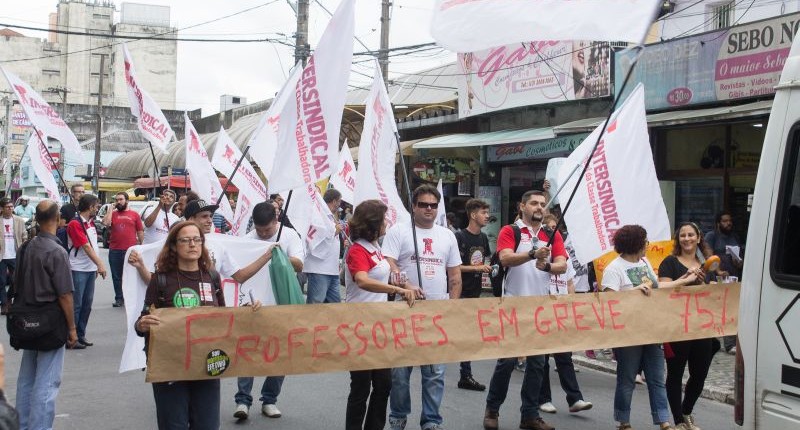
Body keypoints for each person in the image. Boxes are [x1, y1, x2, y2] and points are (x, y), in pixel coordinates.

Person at [133, 221, 261, 430]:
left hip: (208, 364)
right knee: (174, 425)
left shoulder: (211, 276)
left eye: (197, 240)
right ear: (174, 245)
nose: (192, 244)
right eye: (185, 240)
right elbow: (142, 322)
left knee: (207, 425)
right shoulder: (161, 280)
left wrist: (245, 311)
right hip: (170, 366)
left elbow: (222, 319)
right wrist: (143, 324)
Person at [483, 190, 567, 430]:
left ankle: (529, 415)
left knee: (538, 364)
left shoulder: (551, 233)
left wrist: (548, 265)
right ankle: (492, 409)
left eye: (542, 204)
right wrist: (532, 254)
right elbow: (505, 258)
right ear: (522, 206)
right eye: (533, 203)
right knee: (507, 362)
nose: (539, 207)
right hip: (513, 305)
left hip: (539, 309)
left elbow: (562, 264)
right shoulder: (511, 231)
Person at [383, 184, 461, 430]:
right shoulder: (399, 231)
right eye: (423, 204)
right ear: (413, 206)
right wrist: (405, 284)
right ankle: (398, 416)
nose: (429, 209)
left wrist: (453, 307)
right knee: (400, 372)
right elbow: (388, 264)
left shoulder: (447, 235)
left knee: (435, 373)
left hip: (437, 312)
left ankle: (431, 420)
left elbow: (455, 275)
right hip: (405, 310)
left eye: (433, 205)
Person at [601, 224, 692, 430]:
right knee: (627, 379)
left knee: (657, 378)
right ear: (635, 244)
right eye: (645, 242)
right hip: (628, 334)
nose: (647, 246)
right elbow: (608, 301)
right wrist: (634, 291)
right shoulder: (614, 268)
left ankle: (664, 421)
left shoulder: (644, 262)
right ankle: (624, 421)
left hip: (652, 329)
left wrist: (684, 280)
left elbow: (657, 287)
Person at [344, 199, 419, 430]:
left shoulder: (376, 247)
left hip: (380, 324)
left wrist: (405, 285)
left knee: (384, 384)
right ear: (373, 222)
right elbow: (363, 280)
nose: (387, 222)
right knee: (361, 387)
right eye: (384, 218)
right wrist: (395, 289)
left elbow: (382, 275)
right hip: (360, 325)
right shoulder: (357, 249)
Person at [234, 201, 305, 421]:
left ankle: (270, 399)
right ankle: (242, 400)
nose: (263, 234)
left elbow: (299, 265)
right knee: (247, 352)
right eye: (259, 229)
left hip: (282, 303)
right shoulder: (246, 241)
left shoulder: (290, 235)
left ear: (276, 221)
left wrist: (280, 253)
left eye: (268, 229)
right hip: (252, 303)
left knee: (280, 354)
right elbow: (237, 272)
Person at [13, 200, 77, 430]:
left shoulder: (26, 247)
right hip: (49, 322)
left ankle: (23, 425)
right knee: (46, 384)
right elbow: (65, 296)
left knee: (27, 380)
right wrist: (72, 328)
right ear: (57, 218)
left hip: (25, 319)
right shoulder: (57, 251)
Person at [660, 222, 714, 430]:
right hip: (677, 326)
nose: (687, 238)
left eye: (691, 234)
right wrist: (685, 280)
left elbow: (712, 294)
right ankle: (678, 420)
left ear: (699, 238)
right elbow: (663, 290)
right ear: (678, 239)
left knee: (699, 373)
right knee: (675, 373)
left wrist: (703, 283)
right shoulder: (670, 262)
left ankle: (687, 410)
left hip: (702, 326)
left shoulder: (708, 263)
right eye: (683, 235)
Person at [454, 198, 491, 392]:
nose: (486, 216)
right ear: (473, 215)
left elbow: (485, 260)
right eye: (483, 213)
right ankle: (464, 374)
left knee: (467, 334)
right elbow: (455, 267)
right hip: (460, 291)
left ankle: (465, 374)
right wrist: (477, 267)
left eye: (487, 213)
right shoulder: (459, 237)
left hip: (475, 292)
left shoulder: (484, 238)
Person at [66, 194, 107, 349]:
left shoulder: (90, 223)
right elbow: (86, 247)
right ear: (90, 207)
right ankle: (72, 337)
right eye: (96, 206)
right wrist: (100, 264)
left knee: (87, 305)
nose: (97, 209)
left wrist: (95, 266)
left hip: (90, 269)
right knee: (76, 304)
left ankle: (81, 334)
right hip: (78, 269)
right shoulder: (75, 224)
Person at [704, 211, 742, 354]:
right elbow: (709, 254)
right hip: (715, 277)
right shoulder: (712, 236)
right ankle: (710, 339)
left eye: (730, 220)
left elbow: (739, 258)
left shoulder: (734, 237)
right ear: (718, 223)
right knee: (713, 309)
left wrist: (737, 262)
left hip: (731, 277)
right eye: (725, 221)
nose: (728, 223)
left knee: (730, 309)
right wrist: (718, 270)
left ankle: (730, 343)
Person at [102, 192, 144, 307]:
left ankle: (130, 297)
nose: (118, 201)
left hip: (130, 250)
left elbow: (140, 231)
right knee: (117, 276)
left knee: (130, 276)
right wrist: (110, 208)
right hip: (115, 250)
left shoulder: (134, 215)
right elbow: (106, 223)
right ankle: (119, 298)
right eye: (117, 200)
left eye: (121, 199)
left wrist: (142, 246)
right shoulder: (113, 214)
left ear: (127, 201)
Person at [305, 188, 343, 304]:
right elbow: (315, 237)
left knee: (335, 307)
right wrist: (334, 232)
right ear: (334, 201)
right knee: (315, 306)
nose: (339, 205)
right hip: (319, 270)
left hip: (332, 271)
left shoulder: (330, 217)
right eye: (339, 202)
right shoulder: (317, 214)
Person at [0, 198, 26, 315]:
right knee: (1, 281)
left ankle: (9, 298)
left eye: (11, 206)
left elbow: (24, 235)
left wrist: (24, 245)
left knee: (16, 280)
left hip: (15, 254)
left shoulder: (19, 220)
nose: (10, 208)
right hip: (2, 255)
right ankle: (4, 304)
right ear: (2, 209)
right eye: (8, 207)